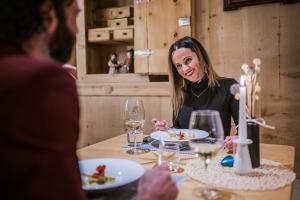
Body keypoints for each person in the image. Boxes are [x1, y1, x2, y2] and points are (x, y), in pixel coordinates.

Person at [0, 0, 178, 200]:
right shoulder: (41, 81)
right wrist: (148, 197)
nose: (77, 30)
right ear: (48, 14)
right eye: (74, 16)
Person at [153, 36, 239, 150]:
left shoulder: (229, 86)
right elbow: (180, 131)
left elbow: (246, 127)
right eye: (178, 66)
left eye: (188, 60)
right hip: (184, 159)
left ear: (200, 56)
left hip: (215, 156)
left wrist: (237, 139)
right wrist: (168, 131)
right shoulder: (180, 94)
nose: (184, 69)